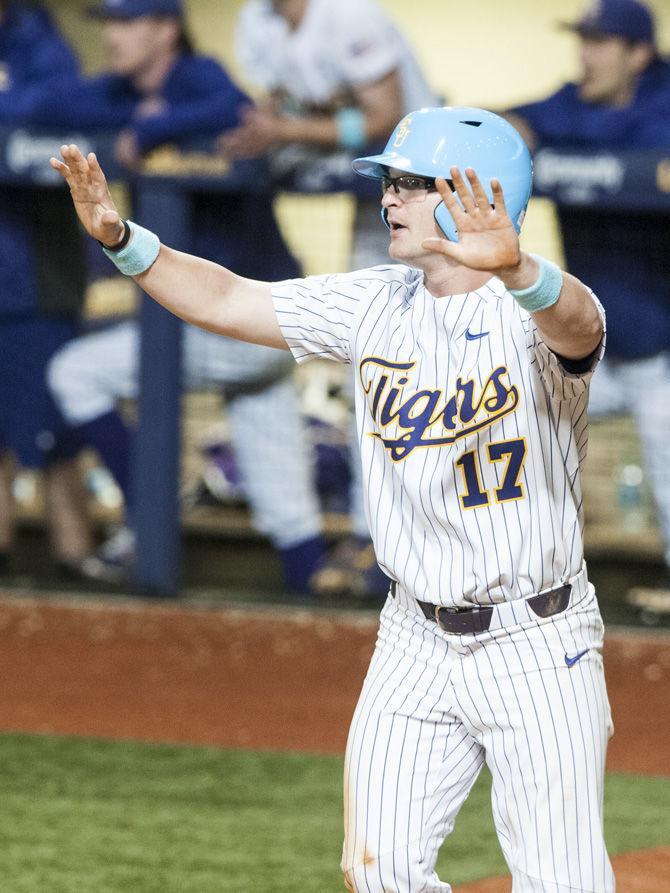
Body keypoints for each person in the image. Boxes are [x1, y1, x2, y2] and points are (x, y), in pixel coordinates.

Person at [51, 103, 615, 891]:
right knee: (377, 872)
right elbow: (225, 299)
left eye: (411, 184)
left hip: (538, 644)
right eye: (389, 182)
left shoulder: (531, 317)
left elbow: (581, 324)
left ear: (474, 191)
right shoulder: (374, 302)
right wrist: (122, 239)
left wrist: (520, 269)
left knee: (564, 881)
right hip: (413, 639)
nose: (388, 198)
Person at [41, 0, 326, 592]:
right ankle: (311, 582)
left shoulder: (201, 77)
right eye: (108, 23)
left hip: (252, 309)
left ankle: (149, 514)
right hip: (240, 325)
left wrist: (148, 129)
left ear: (166, 28)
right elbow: (50, 104)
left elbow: (231, 107)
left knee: (75, 373)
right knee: (280, 482)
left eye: (127, 22)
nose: (113, 36)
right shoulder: (120, 91)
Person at [222, 0, 438, 599]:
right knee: (375, 371)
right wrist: (275, 127)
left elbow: (382, 116)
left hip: (421, 190)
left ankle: (397, 540)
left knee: (411, 370)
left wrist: (286, 131)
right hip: (364, 182)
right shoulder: (256, 21)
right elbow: (282, 105)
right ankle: (375, 534)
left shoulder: (350, 17)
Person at [505, 0, 670, 607]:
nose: (586, 55)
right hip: (587, 349)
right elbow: (509, 120)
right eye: (584, 40)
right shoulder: (571, 102)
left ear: (639, 54)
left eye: (601, 43)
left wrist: (557, 140)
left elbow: (648, 140)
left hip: (661, 350)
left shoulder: (659, 102)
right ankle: (524, 584)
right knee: (514, 432)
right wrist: (519, 129)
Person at [0, 0, 92, 574]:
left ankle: (75, 558)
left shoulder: (40, 40)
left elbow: (63, 104)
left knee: (56, 433)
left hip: (34, 281)